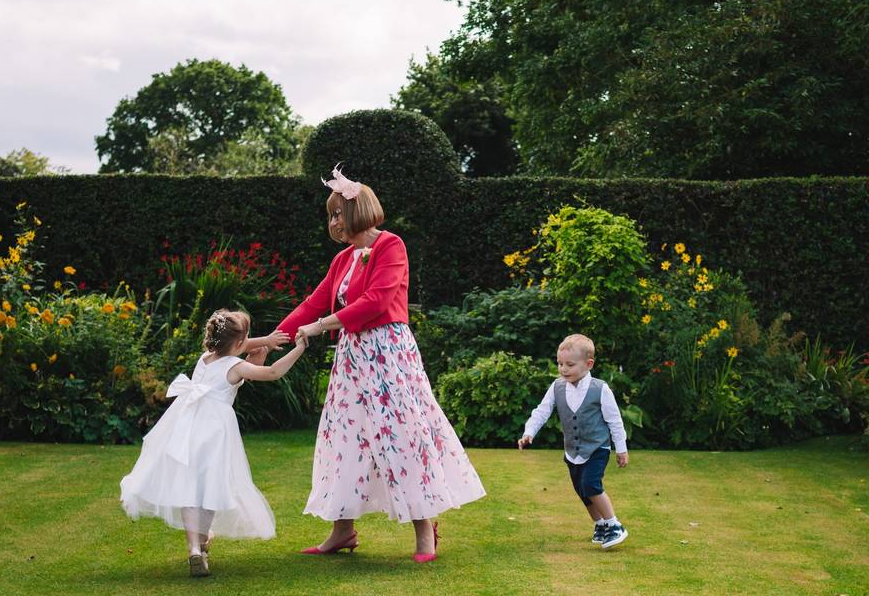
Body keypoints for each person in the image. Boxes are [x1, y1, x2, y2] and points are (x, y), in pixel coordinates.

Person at [278, 166, 486, 563]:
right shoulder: (342, 260)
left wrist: (321, 326)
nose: (333, 221)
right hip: (352, 359)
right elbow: (314, 302)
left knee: (403, 436)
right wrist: (275, 338)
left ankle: (425, 530)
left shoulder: (391, 245)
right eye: (331, 215)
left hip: (388, 355)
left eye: (337, 212)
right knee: (344, 439)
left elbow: (375, 300)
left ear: (358, 210)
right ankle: (342, 531)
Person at [120, 310, 303, 577]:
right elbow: (273, 372)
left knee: (189, 488)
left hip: (187, 427)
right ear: (239, 344)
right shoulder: (236, 366)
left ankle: (196, 547)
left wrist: (263, 340)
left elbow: (237, 348)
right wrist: (298, 348)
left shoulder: (204, 359)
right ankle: (202, 543)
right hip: (214, 431)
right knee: (207, 489)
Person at [517, 333, 629, 550]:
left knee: (591, 485)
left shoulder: (600, 389)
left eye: (569, 364)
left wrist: (621, 449)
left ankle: (615, 525)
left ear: (588, 364)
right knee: (581, 490)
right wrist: (529, 431)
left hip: (597, 447)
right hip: (572, 451)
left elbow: (615, 421)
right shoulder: (557, 387)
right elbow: (542, 411)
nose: (563, 369)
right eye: (560, 364)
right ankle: (601, 525)